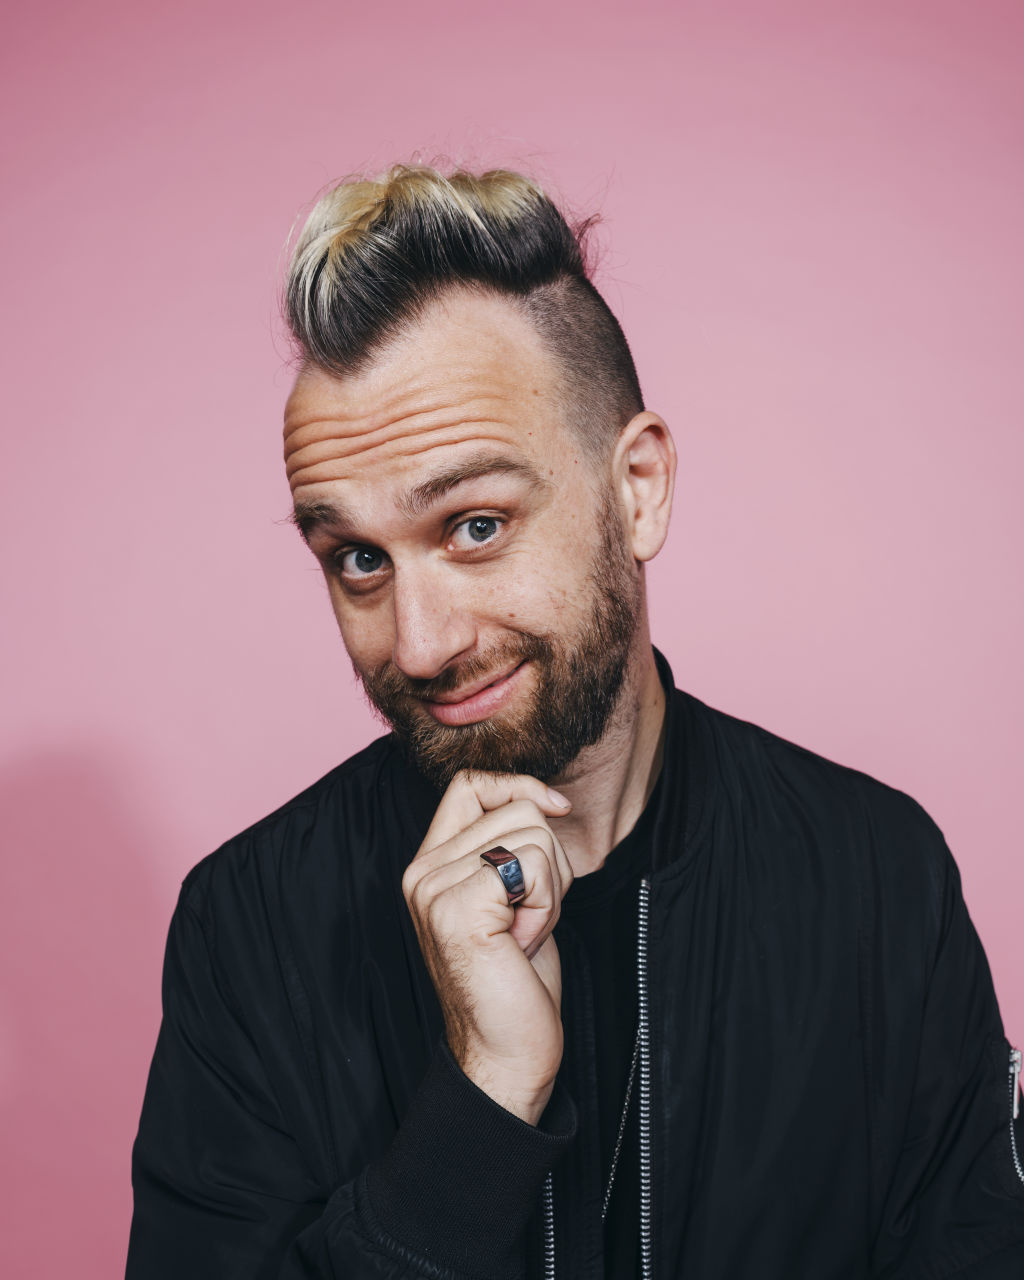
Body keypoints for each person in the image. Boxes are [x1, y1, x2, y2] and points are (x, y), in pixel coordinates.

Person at [127, 164, 1024, 1280]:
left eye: (474, 524)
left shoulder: (877, 877)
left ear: (636, 486)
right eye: (358, 558)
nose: (418, 642)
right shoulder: (250, 926)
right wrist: (482, 1105)